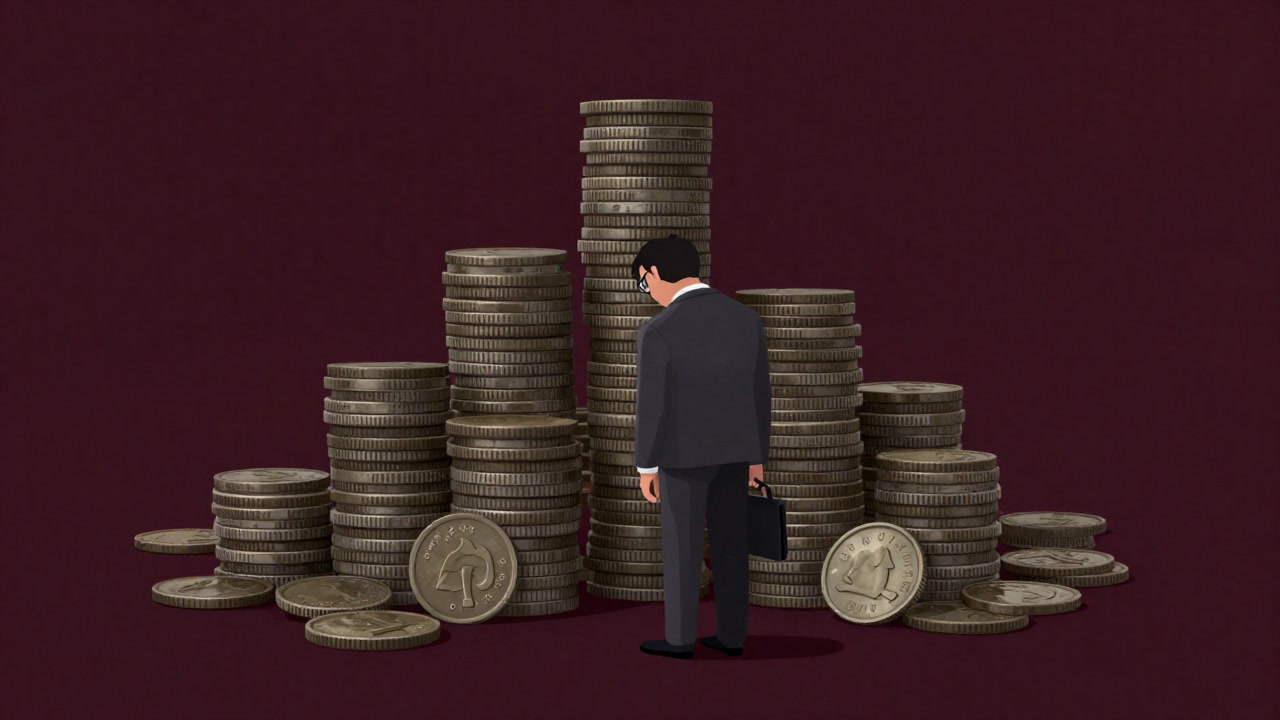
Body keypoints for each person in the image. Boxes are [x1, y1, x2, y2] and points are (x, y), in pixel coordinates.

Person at [630, 234, 771, 660]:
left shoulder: (658, 330)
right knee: (732, 548)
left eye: (643, 283)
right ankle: (733, 636)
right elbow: (760, 394)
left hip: (681, 457)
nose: (647, 292)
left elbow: (652, 407)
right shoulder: (746, 320)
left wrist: (646, 466)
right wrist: (757, 457)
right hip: (736, 453)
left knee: (682, 550)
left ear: (654, 273)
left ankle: (680, 640)